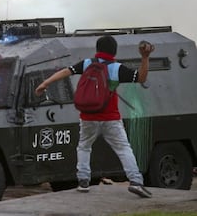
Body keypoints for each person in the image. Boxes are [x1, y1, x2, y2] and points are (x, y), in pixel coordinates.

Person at [35, 35, 154, 198]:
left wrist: (45, 83)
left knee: (84, 146)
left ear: (97, 49)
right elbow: (141, 78)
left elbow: (66, 71)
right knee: (123, 148)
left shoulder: (87, 63)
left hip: (88, 116)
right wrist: (145, 58)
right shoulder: (116, 68)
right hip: (110, 118)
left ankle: (83, 181)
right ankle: (136, 182)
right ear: (114, 51)